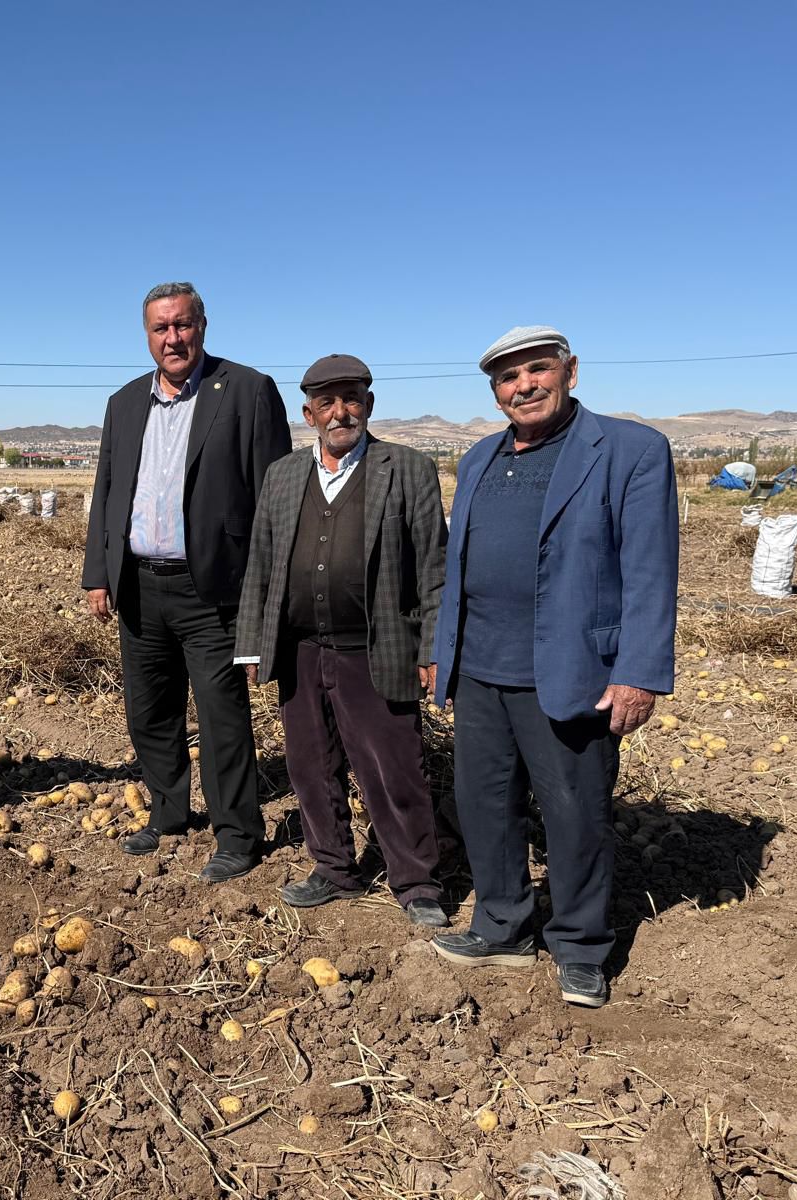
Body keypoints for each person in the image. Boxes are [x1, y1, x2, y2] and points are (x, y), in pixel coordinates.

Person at [429, 326, 677, 1007]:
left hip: (572, 671)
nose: (524, 386)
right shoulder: (479, 457)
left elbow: (651, 570)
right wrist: (439, 651)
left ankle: (580, 946)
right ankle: (503, 926)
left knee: (576, 815)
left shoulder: (630, 450)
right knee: (485, 807)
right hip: (480, 668)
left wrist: (640, 672)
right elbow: (459, 567)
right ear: (495, 391)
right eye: (508, 379)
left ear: (570, 371)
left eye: (538, 370)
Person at [82, 282, 291, 884]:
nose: (172, 338)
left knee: (222, 714)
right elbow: (106, 491)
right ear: (146, 335)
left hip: (213, 587)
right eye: (160, 328)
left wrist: (264, 593)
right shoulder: (124, 403)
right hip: (139, 586)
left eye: (182, 325)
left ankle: (237, 833)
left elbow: (273, 497)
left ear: (203, 326)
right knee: (149, 709)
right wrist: (99, 573)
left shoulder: (247, 391)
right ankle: (169, 813)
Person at [235, 354, 448, 923]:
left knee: (393, 766)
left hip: (375, 647)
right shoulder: (282, 476)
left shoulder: (406, 468)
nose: (340, 411)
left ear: (369, 405)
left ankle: (417, 881)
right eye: (326, 402)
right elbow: (260, 562)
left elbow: (434, 568)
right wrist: (253, 642)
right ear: (308, 413)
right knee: (310, 764)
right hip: (301, 646)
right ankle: (333, 867)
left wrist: (433, 648)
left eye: (351, 398)